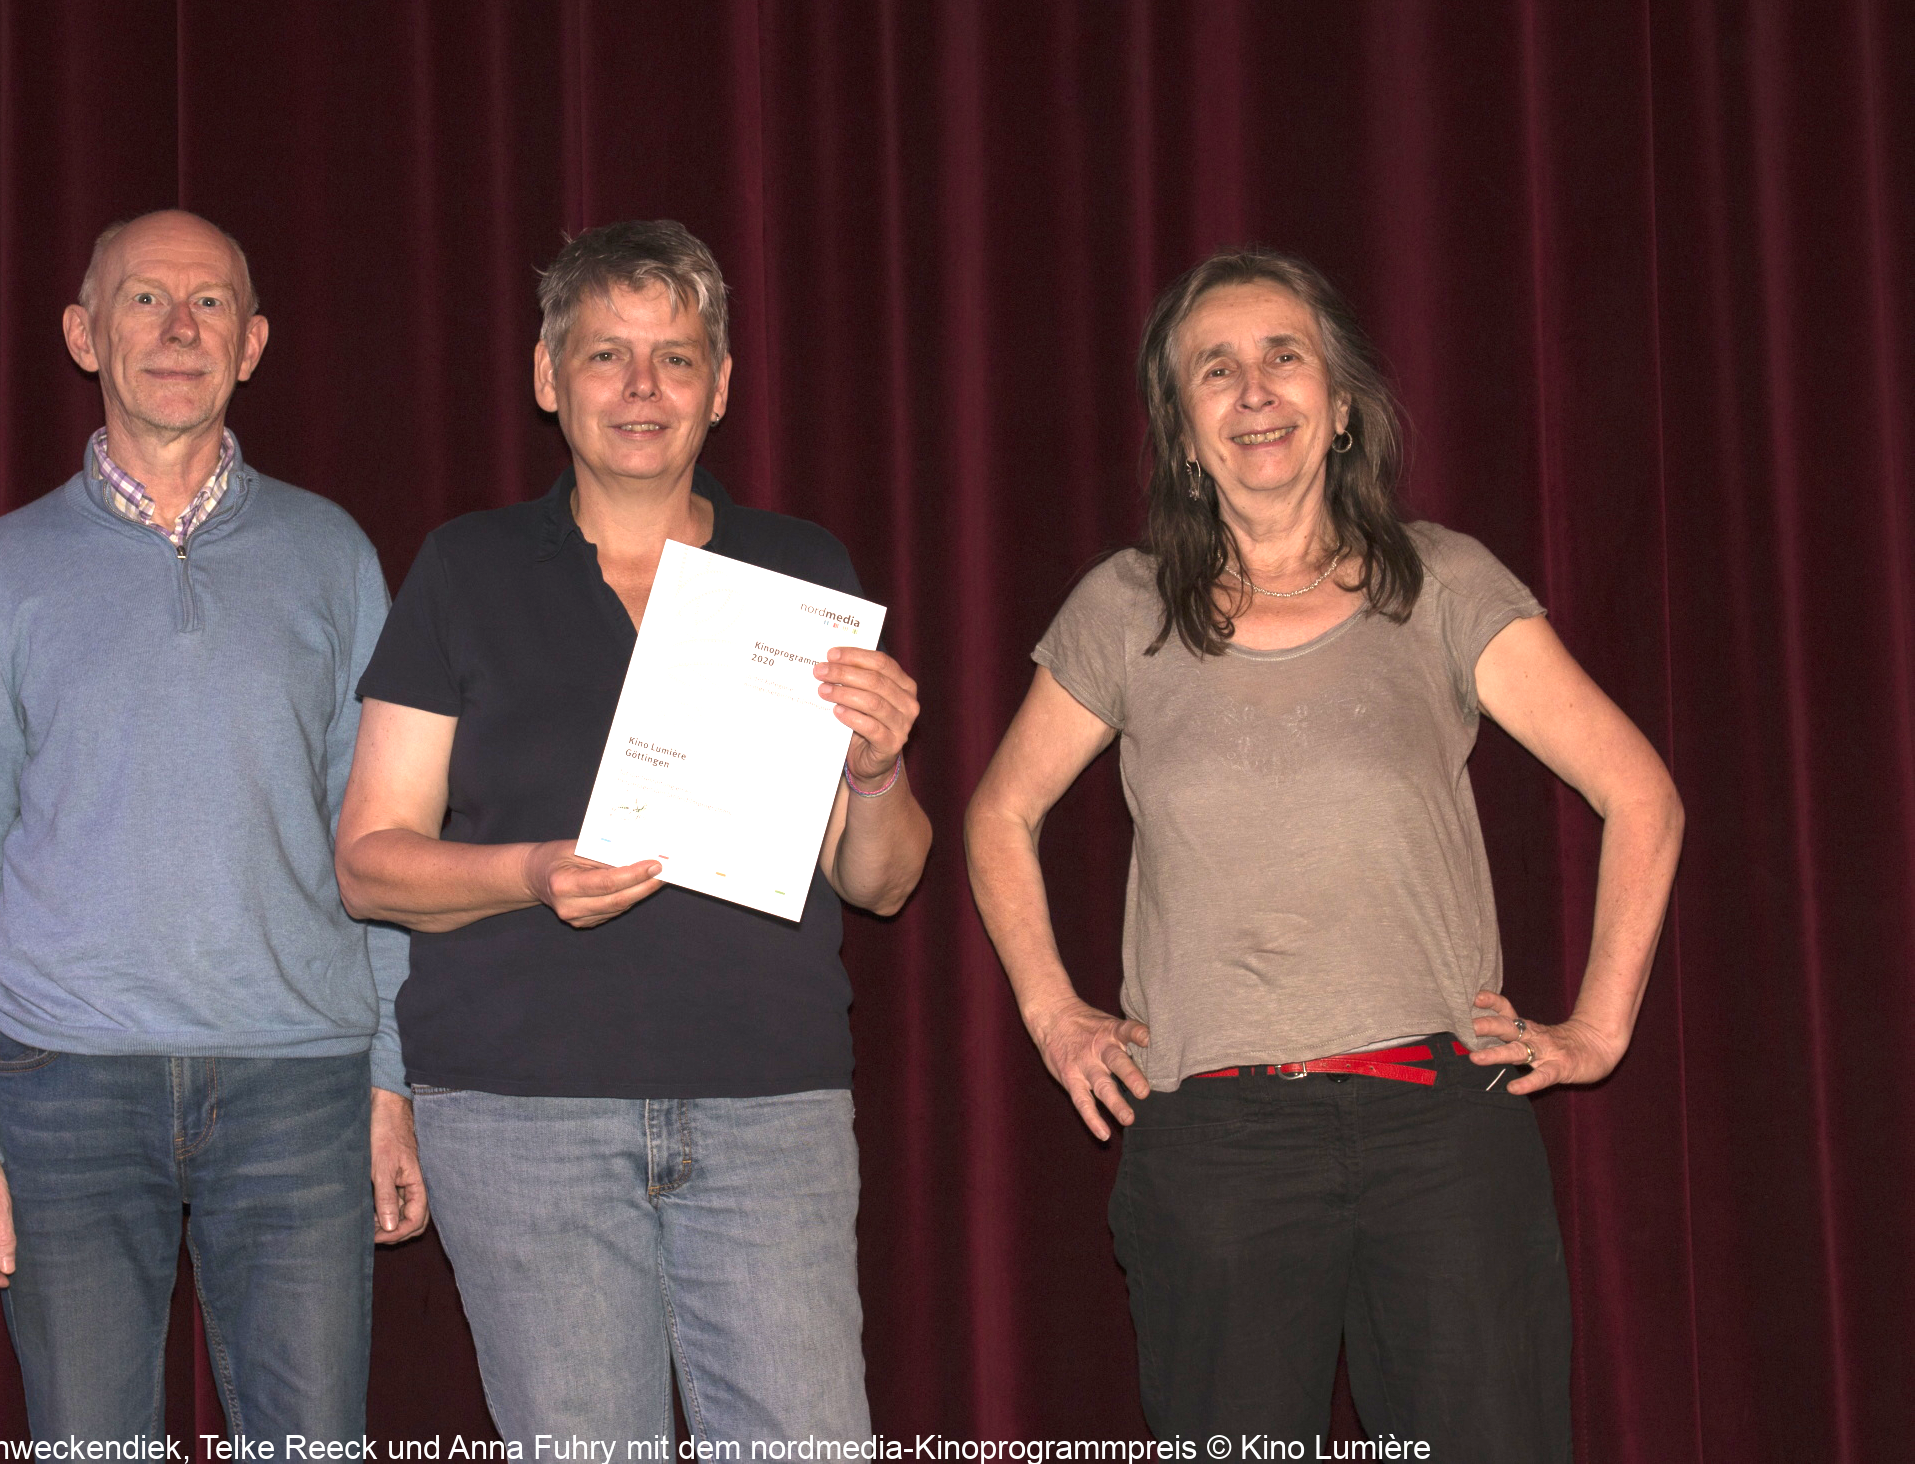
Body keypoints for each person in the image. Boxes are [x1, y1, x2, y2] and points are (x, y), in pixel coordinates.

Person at [964, 248, 1682, 1462]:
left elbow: (1640, 793)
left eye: (1282, 356)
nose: (1254, 389)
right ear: (1182, 433)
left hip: (1442, 1136)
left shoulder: (1444, 583)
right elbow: (996, 815)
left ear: (1339, 405)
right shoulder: (1125, 606)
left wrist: (1596, 1028)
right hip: (1218, 1146)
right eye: (1216, 368)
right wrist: (1052, 1013)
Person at [334, 221, 931, 1448]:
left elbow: (879, 880)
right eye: (606, 354)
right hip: (519, 1106)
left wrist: (878, 769)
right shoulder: (465, 567)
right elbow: (368, 859)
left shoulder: (800, 570)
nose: (642, 388)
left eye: (674, 356)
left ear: (721, 384)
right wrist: (531, 872)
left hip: (769, 1099)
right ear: (549, 379)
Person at [0, 210, 425, 1444]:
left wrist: (391, 1082)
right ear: (85, 333)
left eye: (209, 305)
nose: (177, 328)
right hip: (62, 1083)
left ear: (252, 343)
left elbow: (387, 835)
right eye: (144, 300)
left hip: (302, 1080)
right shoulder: (1, 571)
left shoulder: (334, 555)